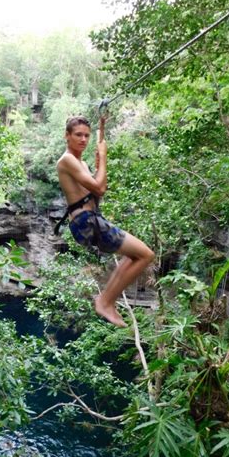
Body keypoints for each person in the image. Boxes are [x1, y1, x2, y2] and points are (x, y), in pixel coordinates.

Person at [56, 115, 154, 327]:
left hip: (90, 221)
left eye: (86, 136)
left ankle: (107, 301)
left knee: (137, 255)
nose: (83, 139)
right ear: (67, 136)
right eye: (78, 135)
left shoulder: (80, 162)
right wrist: (104, 157)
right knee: (146, 254)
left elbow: (97, 191)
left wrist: (101, 130)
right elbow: (99, 188)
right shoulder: (67, 160)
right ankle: (105, 301)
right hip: (86, 222)